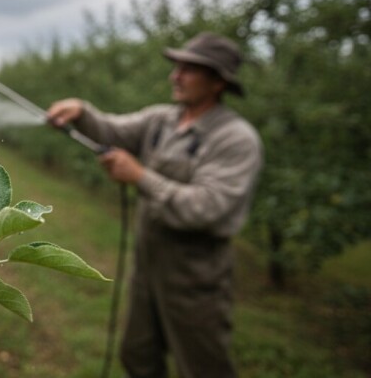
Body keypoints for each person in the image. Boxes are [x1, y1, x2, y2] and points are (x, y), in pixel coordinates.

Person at [46, 32, 263, 378]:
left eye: (189, 69)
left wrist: (140, 177)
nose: (175, 76)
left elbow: (206, 207)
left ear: (218, 82)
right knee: (138, 356)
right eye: (176, 66)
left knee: (202, 366)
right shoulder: (162, 119)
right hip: (147, 266)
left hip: (196, 278)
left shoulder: (235, 139)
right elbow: (113, 130)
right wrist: (82, 112)